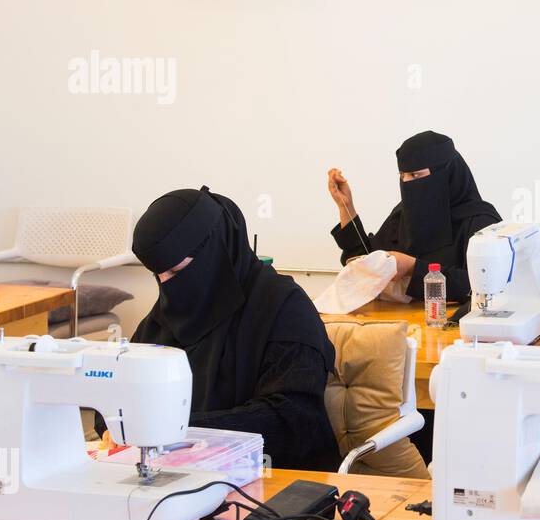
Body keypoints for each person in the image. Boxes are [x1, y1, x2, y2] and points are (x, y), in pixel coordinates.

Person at [131, 187, 340, 472]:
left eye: (177, 272)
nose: (166, 284)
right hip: (179, 476)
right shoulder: (165, 318)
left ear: (216, 252)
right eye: (158, 275)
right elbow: (123, 393)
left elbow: (290, 419)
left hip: (274, 479)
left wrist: (175, 429)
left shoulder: (284, 308)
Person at [327, 131, 500, 303]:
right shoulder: (405, 214)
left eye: (416, 175)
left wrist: (413, 267)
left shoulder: (481, 222)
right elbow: (366, 268)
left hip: (452, 326)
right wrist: (346, 206)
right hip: (402, 324)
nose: (408, 183)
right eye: (403, 175)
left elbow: (483, 286)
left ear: (446, 174)